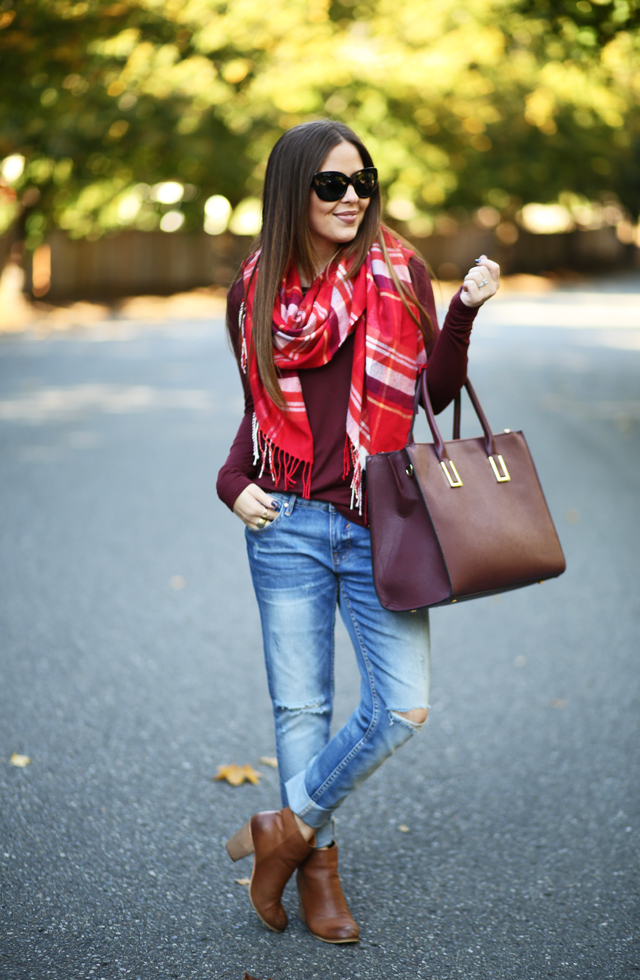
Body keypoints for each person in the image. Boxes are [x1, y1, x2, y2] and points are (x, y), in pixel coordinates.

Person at [216, 118, 500, 943]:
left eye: (363, 182)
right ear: (292, 192)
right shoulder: (256, 287)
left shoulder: (400, 269)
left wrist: (465, 315)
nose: (352, 198)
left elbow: (435, 395)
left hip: (383, 518)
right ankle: (320, 882)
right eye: (332, 185)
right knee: (301, 711)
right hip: (285, 519)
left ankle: (284, 828)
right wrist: (231, 482)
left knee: (402, 707)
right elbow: (258, 407)